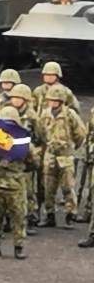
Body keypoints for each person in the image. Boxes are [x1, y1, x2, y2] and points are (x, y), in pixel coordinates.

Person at [0, 106, 33, 260]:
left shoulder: (22, 142)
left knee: (18, 217)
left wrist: (19, 169)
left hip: (15, 185)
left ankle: (18, 246)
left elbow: (33, 161)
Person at [38, 84, 86, 229]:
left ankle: (70, 214)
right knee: (49, 187)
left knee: (68, 187)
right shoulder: (45, 114)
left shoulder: (69, 114)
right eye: (50, 100)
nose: (52, 102)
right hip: (50, 155)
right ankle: (50, 214)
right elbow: (40, 131)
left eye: (55, 100)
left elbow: (80, 133)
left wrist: (71, 147)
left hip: (65, 156)